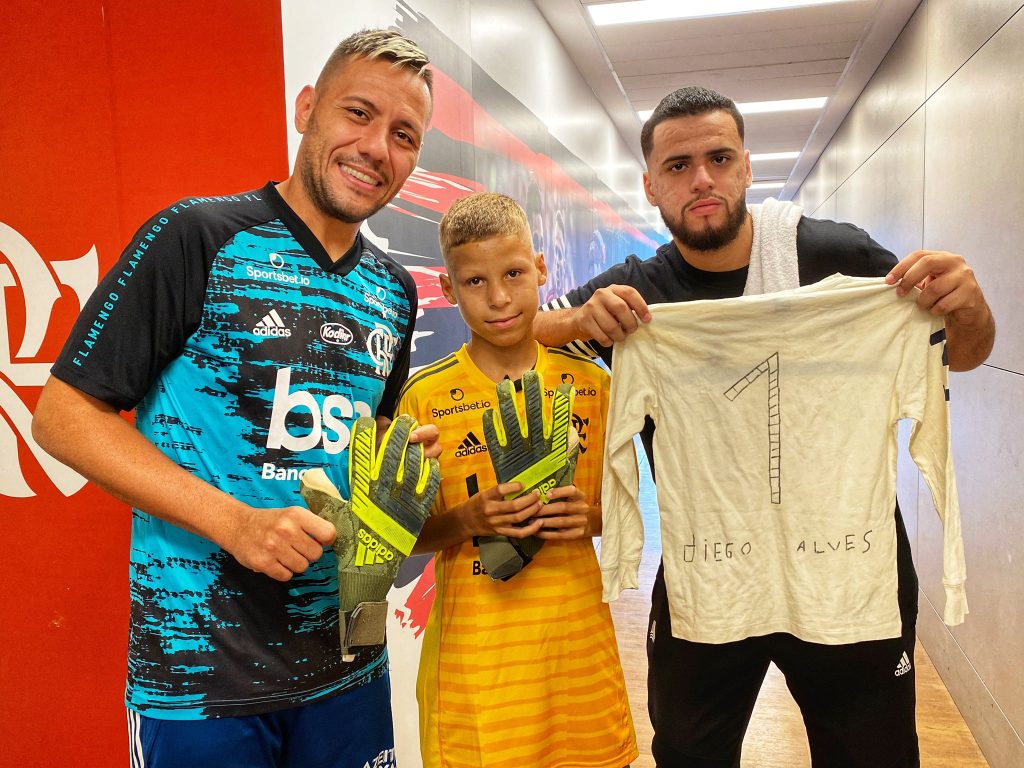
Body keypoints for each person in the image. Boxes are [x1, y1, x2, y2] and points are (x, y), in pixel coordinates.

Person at [534, 86, 995, 767]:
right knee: (690, 754)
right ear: (651, 186)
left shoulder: (837, 257)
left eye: (719, 158)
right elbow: (530, 335)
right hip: (711, 578)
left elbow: (960, 354)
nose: (702, 180)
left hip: (846, 574)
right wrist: (577, 320)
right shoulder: (638, 290)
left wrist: (967, 307)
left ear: (747, 166)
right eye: (679, 166)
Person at [32, 28, 439, 768]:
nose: (378, 147)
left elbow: (361, 442)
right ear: (306, 108)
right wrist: (236, 523)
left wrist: (391, 472)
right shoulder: (197, 236)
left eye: (404, 134)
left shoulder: (395, 291)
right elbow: (61, 417)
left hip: (350, 662)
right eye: (358, 114)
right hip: (200, 677)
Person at [398, 192, 638, 768]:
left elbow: (626, 517)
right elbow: (406, 536)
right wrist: (468, 520)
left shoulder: (593, 386)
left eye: (513, 273)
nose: (499, 298)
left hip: (576, 658)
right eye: (475, 282)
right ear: (449, 289)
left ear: (541, 271)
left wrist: (591, 518)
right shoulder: (423, 396)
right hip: (476, 672)